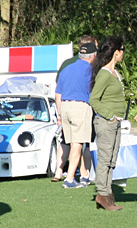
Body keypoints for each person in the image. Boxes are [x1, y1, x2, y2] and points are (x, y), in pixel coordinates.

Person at [89, 36, 127, 210]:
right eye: (122, 50)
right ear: (116, 52)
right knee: (105, 159)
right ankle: (102, 194)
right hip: (106, 122)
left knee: (112, 160)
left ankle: (107, 193)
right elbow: (94, 100)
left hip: (116, 122)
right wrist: (110, 117)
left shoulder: (114, 72)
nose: (123, 54)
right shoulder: (104, 73)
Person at [54, 36, 98, 179]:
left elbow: (58, 94)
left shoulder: (66, 68)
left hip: (65, 106)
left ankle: (68, 172)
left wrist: (60, 114)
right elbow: (94, 94)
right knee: (79, 144)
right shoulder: (91, 70)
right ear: (94, 56)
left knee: (69, 143)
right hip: (80, 106)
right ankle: (70, 177)